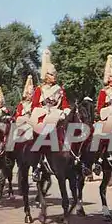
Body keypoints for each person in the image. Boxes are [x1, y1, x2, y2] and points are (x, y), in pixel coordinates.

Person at [30, 48, 71, 181]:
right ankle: (37, 165)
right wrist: (44, 112)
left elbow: (64, 104)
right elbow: (35, 105)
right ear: (47, 76)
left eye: (55, 75)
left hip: (57, 115)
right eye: (52, 75)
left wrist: (66, 110)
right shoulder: (39, 89)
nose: (55, 77)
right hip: (43, 116)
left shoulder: (59, 89)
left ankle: (79, 160)